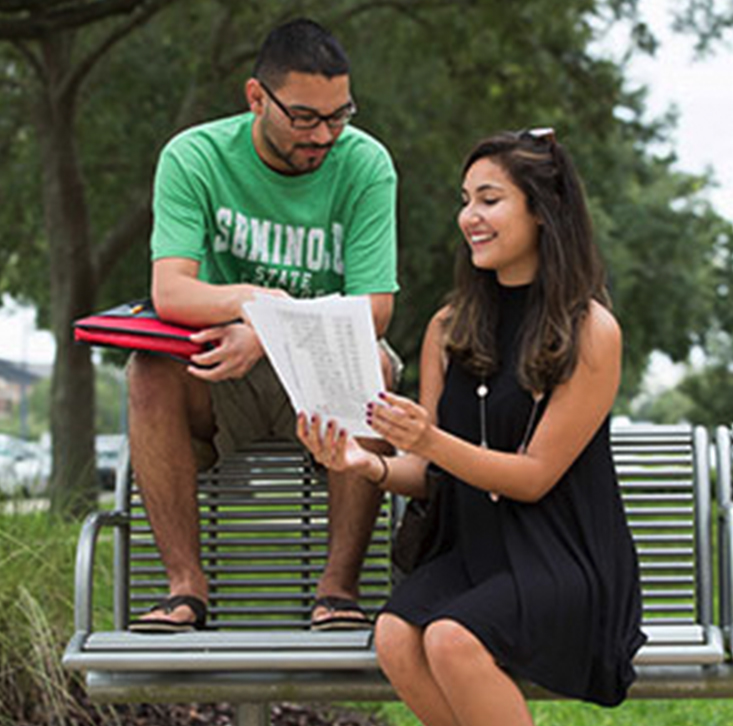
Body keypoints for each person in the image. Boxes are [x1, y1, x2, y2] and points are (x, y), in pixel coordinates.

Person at [298, 129, 646, 724]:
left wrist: (426, 438)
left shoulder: (590, 330)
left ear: (544, 210)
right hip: (474, 552)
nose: (469, 217)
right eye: (466, 200)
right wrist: (368, 465)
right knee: (395, 636)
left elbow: (535, 477)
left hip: (563, 559)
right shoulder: (449, 327)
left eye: (489, 199)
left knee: (452, 638)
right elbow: (433, 473)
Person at [126, 18, 399, 633]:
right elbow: (170, 292)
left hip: (325, 381)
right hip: (226, 377)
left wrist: (269, 331)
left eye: (340, 115)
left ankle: (339, 591)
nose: (325, 134)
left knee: (375, 364)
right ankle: (184, 589)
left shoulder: (366, 165)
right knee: (148, 370)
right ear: (257, 98)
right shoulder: (194, 157)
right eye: (305, 118)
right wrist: (254, 300)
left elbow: (375, 308)